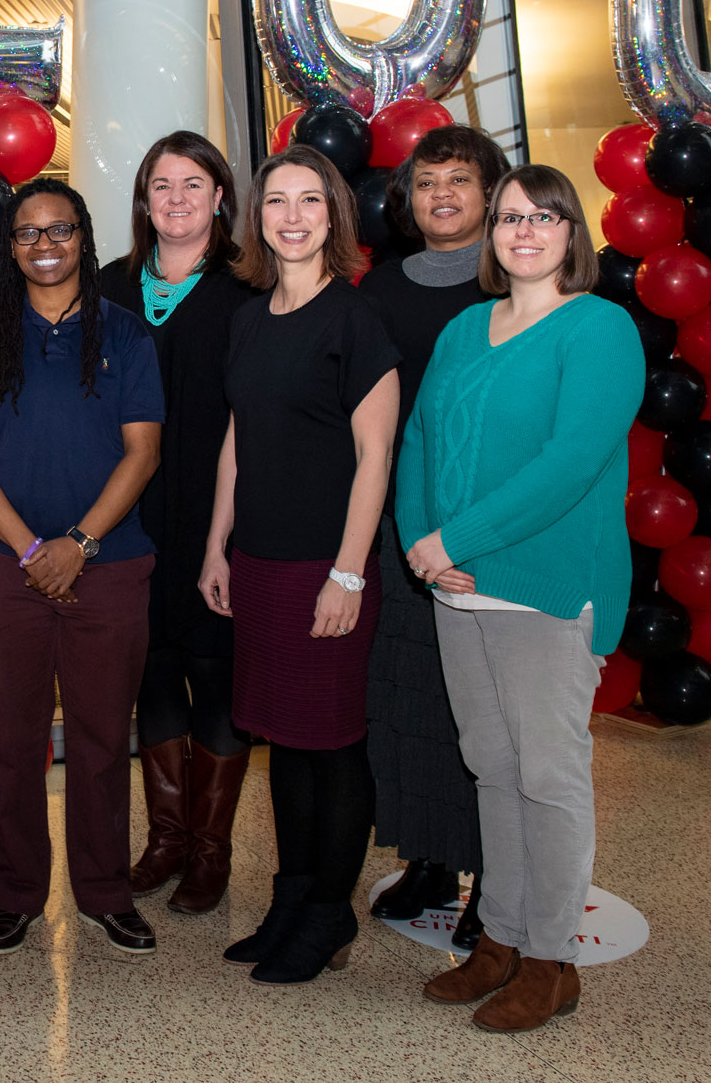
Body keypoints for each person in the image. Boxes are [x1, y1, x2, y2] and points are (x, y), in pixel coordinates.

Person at [398, 165, 642, 1032]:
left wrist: (453, 541)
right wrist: (423, 545)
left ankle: (552, 959)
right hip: (458, 591)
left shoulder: (600, 328)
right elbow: (420, 440)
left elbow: (572, 463)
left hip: (544, 589)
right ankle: (497, 939)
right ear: (492, 235)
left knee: (549, 774)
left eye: (544, 216)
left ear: (572, 233)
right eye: (509, 217)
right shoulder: (466, 327)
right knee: (492, 768)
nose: (524, 230)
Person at [199, 145, 399, 986]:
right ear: (257, 218)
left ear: (334, 216)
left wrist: (349, 574)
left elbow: (375, 453)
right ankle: (288, 899)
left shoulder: (353, 319)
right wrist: (218, 543)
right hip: (262, 563)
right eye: (276, 201)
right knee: (283, 739)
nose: (291, 216)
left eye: (309, 201)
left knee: (333, 744)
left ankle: (328, 914)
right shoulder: (248, 317)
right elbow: (237, 440)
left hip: (327, 564)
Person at [0, 180, 164, 956]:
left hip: (109, 566)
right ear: (10, 247)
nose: (45, 245)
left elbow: (143, 452)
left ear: (84, 238)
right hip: (4, 567)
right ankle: (16, 895)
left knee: (105, 739)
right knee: (12, 739)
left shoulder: (129, 337)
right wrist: (33, 550)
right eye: (28, 233)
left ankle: (106, 892)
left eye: (60, 230)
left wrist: (77, 543)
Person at [98, 131, 258, 917]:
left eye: (194, 184)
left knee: (219, 676)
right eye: (161, 185)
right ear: (143, 199)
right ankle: (164, 837)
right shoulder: (109, 289)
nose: (177, 199)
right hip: (130, 514)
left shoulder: (248, 289)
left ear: (221, 197)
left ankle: (210, 847)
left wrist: (227, 535)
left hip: (217, 511)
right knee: (152, 671)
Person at [355, 125, 506, 947]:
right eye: (425, 182)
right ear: (407, 199)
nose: (441, 195)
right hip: (397, 520)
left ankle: (497, 875)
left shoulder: (512, 281)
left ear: (490, 192)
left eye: (459, 180)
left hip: (487, 526)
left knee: (481, 707)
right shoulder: (380, 289)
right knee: (407, 697)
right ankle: (430, 859)